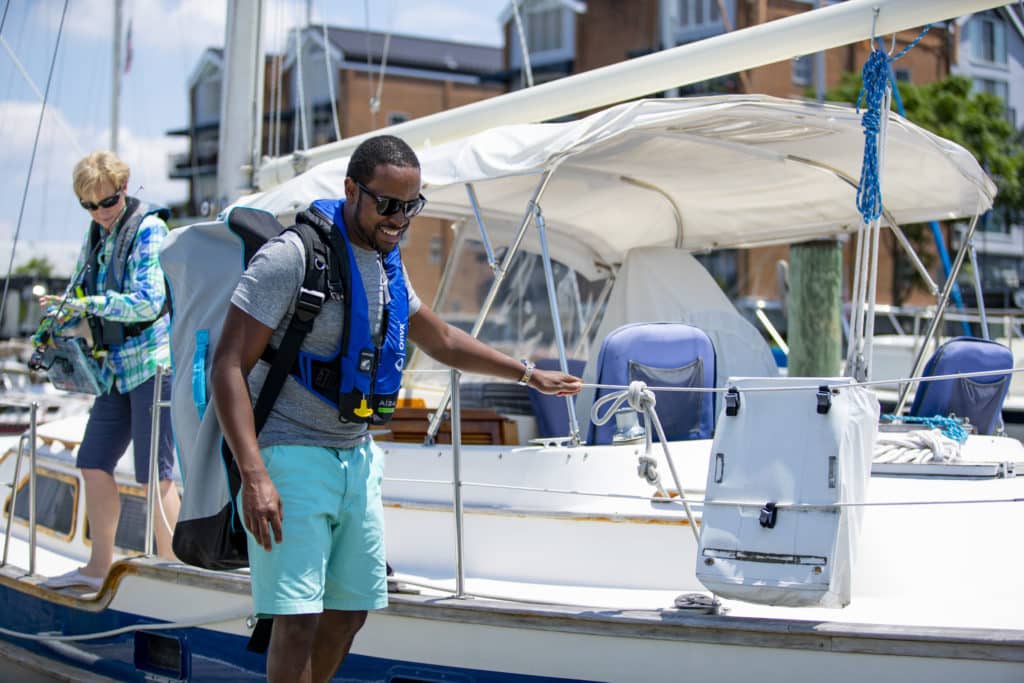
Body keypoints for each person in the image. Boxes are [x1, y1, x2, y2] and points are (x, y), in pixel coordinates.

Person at [212, 134, 582, 682]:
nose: (399, 218)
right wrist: (255, 473)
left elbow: (442, 339)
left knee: (351, 610)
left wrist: (528, 374)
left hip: (356, 457)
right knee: (296, 619)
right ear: (351, 191)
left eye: (412, 206)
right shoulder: (291, 258)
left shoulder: (388, 264)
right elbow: (226, 366)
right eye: (387, 204)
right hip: (290, 455)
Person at [37, 151, 180, 591]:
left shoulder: (149, 230)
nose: (100, 213)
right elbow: (79, 287)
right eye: (89, 206)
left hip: (153, 366)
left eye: (108, 201)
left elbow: (147, 301)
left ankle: (175, 570)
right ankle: (100, 565)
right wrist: (56, 320)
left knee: (155, 473)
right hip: (115, 370)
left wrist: (87, 306)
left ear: (125, 186)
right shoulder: (97, 234)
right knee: (93, 462)